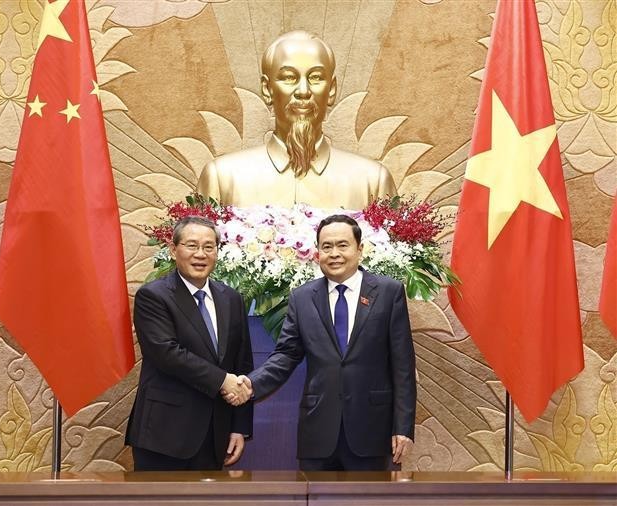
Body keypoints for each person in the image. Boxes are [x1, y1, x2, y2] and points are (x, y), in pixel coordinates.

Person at [225, 214, 416, 471]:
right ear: (317, 253)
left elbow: (403, 364)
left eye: (342, 245)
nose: (334, 253)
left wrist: (403, 427)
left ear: (360, 250)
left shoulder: (388, 292)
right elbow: (286, 355)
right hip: (318, 430)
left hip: (371, 429)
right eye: (326, 247)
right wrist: (251, 384)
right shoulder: (303, 297)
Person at [197, 31, 396, 209]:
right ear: (267, 89)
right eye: (289, 77)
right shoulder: (222, 178)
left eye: (316, 77)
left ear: (332, 89)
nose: (303, 91)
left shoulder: (372, 181)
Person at [125, 216, 253, 470]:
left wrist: (239, 427)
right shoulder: (154, 296)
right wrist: (222, 380)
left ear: (217, 251)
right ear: (174, 250)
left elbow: (242, 363)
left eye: (209, 247)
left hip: (215, 435)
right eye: (191, 245)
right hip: (164, 435)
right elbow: (167, 353)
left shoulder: (231, 298)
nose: (200, 254)